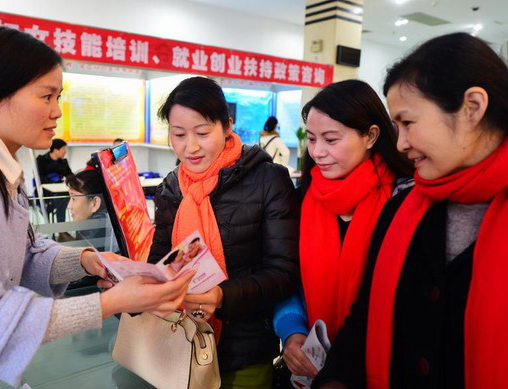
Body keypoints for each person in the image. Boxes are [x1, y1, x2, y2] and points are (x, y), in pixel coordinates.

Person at [0, 27, 193, 388]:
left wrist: (90, 260)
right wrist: (111, 303)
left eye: (58, 97)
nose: (57, 112)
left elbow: (24, 252)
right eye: (46, 96)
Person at [312, 32, 508, 389]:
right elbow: (368, 315)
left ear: (472, 107)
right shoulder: (402, 211)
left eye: (408, 123)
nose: (400, 143)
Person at [148, 76, 300, 388]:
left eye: (202, 133)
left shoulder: (268, 180)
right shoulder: (171, 187)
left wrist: (221, 296)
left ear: (227, 126)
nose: (189, 147)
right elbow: (161, 260)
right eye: (178, 134)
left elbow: (285, 272)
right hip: (179, 342)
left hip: (244, 351)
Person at [272, 79, 414, 382]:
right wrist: (292, 329)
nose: (318, 152)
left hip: (383, 362)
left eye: (331, 139)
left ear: (371, 136)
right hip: (312, 366)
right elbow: (288, 276)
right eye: (311, 139)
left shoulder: (403, 199)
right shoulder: (303, 198)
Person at [36, 138, 72, 223]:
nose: (65, 151)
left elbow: (70, 175)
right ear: (56, 150)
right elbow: (39, 177)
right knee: (61, 200)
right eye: (63, 149)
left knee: (62, 198)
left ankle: (61, 229)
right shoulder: (41, 160)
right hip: (45, 192)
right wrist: (54, 183)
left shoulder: (63, 162)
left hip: (61, 192)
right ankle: (54, 229)